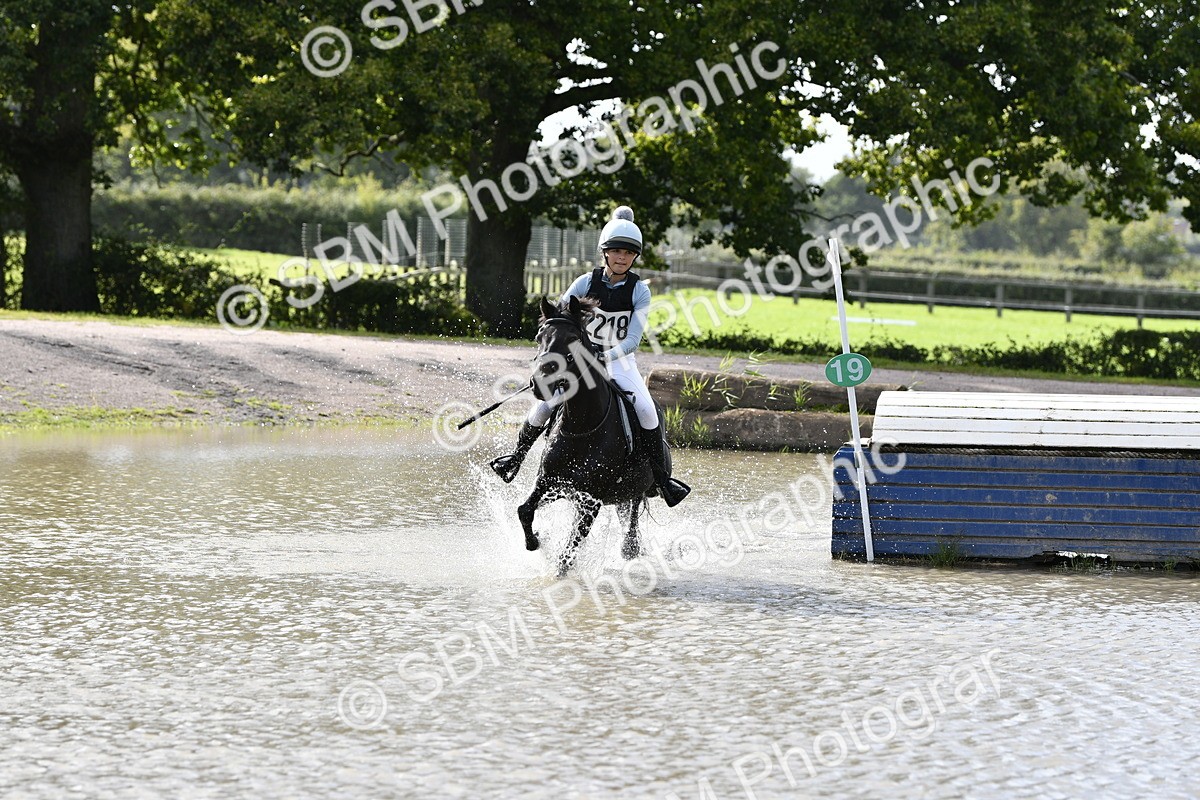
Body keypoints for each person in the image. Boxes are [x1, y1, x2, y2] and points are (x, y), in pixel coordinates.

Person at [490, 206, 692, 507]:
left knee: (648, 412)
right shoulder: (585, 283)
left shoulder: (639, 291)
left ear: (635, 256)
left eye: (628, 253)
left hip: (620, 363)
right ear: (605, 253)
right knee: (545, 407)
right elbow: (558, 320)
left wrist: (602, 354)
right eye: (616, 251)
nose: (622, 258)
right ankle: (515, 460)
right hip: (579, 363)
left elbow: (633, 340)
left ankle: (662, 481)